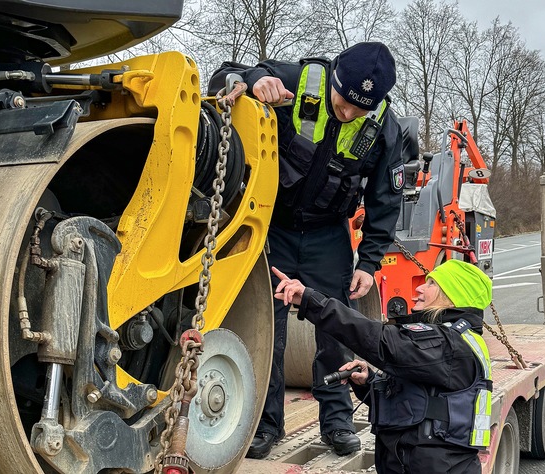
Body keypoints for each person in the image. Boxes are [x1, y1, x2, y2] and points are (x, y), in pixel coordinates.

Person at [208, 42, 404, 459]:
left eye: (360, 109)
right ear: (333, 78)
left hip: (328, 234)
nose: (349, 113)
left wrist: (368, 261)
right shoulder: (299, 81)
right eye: (343, 102)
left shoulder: (385, 128)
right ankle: (265, 422)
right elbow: (224, 74)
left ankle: (335, 420)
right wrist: (255, 80)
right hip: (273, 227)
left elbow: (386, 199)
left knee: (335, 331)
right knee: (267, 331)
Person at [272, 259, 493, 474]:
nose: (419, 288)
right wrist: (368, 382)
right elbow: (415, 404)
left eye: (432, 283)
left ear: (453, 297)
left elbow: (378, 340)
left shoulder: (448, 344)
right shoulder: (442, 344)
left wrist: (312, 301)